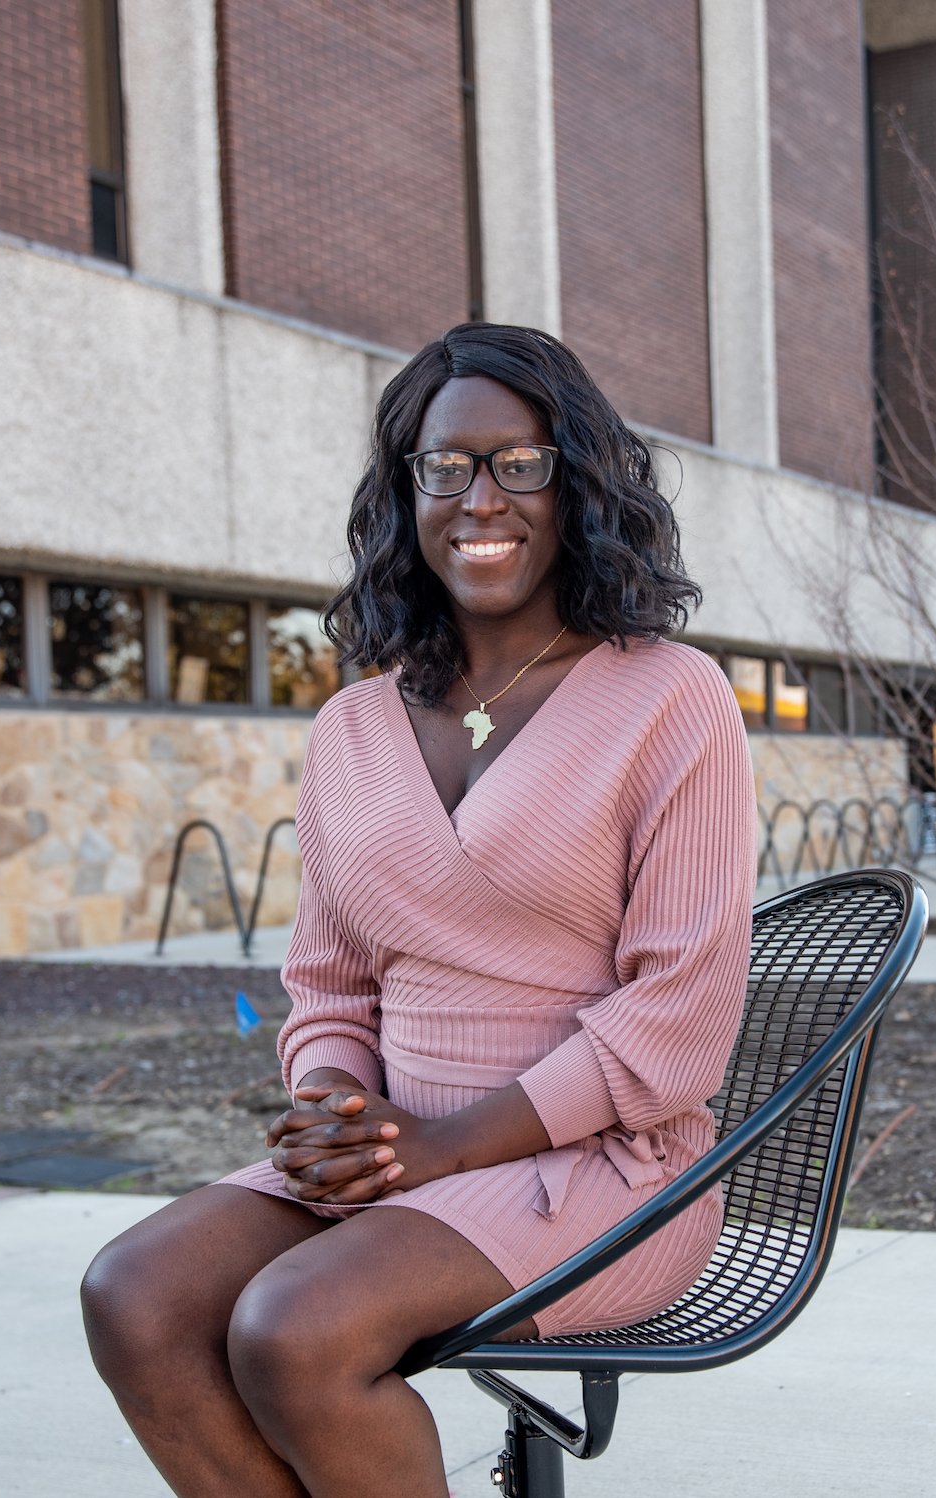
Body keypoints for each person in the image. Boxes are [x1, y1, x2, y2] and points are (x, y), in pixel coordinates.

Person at [81, 322, 756, 1498]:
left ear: (577, 483)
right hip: (391, 1156)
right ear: (406, 493)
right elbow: (327, 987)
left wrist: (437, 1145)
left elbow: (678, 1020)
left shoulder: (669, 698)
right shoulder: (351, 726)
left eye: (518, 463)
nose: (478, 496)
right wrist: (334, 1109)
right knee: (134, 1296)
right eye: (444, 467)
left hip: (596, 1165)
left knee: (294, 1329)